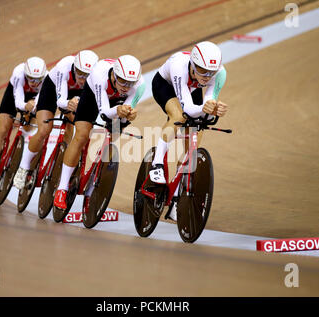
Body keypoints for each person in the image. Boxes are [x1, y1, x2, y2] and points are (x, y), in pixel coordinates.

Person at [53, 55, 146, 210]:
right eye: (122, 81)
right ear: (114, 75)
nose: (125, 86)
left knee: (113, 137)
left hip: (117, 102)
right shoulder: (99, 74)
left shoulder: (139, 85)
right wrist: (118, 110)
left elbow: (125, 114)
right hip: (93, 96)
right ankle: (61, 189)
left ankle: (91, 187)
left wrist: (130, 114)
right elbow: (103, 112)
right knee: (82, 135)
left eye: (130, 83)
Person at [150, 41, 229, 221]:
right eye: (202, 71)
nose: (207, 76)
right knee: (178, 116)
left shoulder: (220, 74)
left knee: (198, 128)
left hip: (191, 89)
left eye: (211, 72)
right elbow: (188, 109)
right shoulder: (180, 65)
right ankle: (156, 164)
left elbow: (207, 104)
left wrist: (213, 109)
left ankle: (177, 193)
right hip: (166, 85)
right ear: (193, 65)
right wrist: (208, 108)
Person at [13, 50, 99, 189]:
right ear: (74, 67)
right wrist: (70, 104)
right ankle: (23, 168)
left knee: (78, 129)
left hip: (77, 94)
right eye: (79, 73)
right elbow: (60, 101)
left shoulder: (96, 76)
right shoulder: (64, 67)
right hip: (53, 90)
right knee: (44, 130)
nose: (82, 78)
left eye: (86, 75)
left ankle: (62, 157)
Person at [0, 56, 47, 187]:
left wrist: (33, 105)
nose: (34, 82)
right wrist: (26, 106)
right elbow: (18, 101)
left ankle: (22, 145)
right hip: (15, 95)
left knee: (32, 125)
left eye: (38, 80)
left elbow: (41, 99)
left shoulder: (47, 78)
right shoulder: (19, 73)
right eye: (30, 78)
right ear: (26, 74)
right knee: (4, 128)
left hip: (33, 99)